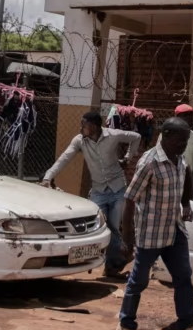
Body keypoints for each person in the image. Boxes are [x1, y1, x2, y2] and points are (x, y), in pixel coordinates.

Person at [115, 117, 193, 330]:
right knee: (139, 280)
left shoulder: (179, 159)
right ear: (167, 136)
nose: (184, 146)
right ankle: (125, 326)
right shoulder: (149, 162)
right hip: (151, 233)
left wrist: (186, 204)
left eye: (186, 142)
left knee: (183, 277)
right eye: (181, 141)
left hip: (175, 230)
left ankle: (186, 329)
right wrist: (127, 239)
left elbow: (184, 180)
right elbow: (130, 200)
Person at [41, 110, 141, 278]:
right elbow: (65, 158)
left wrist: (128, 158)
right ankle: (120, 257)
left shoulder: (113, 135)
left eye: (84, 125)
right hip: (98, 190)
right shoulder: (80, 141)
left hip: (117, 188)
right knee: (102, 225)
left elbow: (136, 137)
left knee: (114, 227)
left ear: (93, 126)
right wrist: (48, 177)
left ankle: (111, 267)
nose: (81, 127)